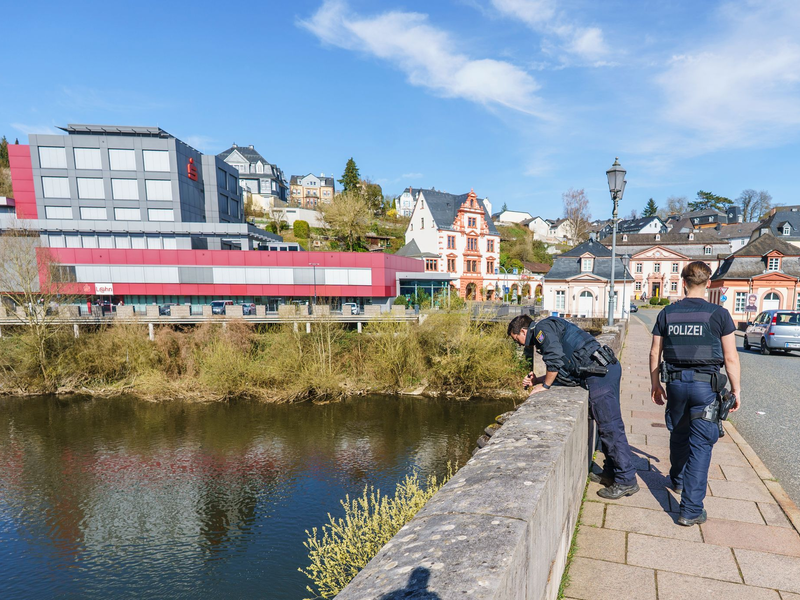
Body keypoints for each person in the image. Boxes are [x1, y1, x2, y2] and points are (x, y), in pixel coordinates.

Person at [508, 314, 639, 499]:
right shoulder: (548, 327)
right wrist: (538, 379)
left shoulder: (540, 330)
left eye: (517, 340)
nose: (520, 345)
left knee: (611, 428)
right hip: (602, 370)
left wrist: (544, 386)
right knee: (606, 427)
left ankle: (627, 480)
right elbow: (563, 368)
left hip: (600, 373)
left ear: (523, 331)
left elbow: (554, 359)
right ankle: (611, 472)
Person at [649, 261, 741, 526]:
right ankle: (690, 510)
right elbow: (730, 357)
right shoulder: (719, 314)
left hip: (676, 385)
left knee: (679, 433)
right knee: (700, 446)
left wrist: (655, 384)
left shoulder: (667, 313)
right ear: (708, 283)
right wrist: (736, 390)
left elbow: (656, 352)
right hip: (706, 388)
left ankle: (677, 480)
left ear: (683, 282)